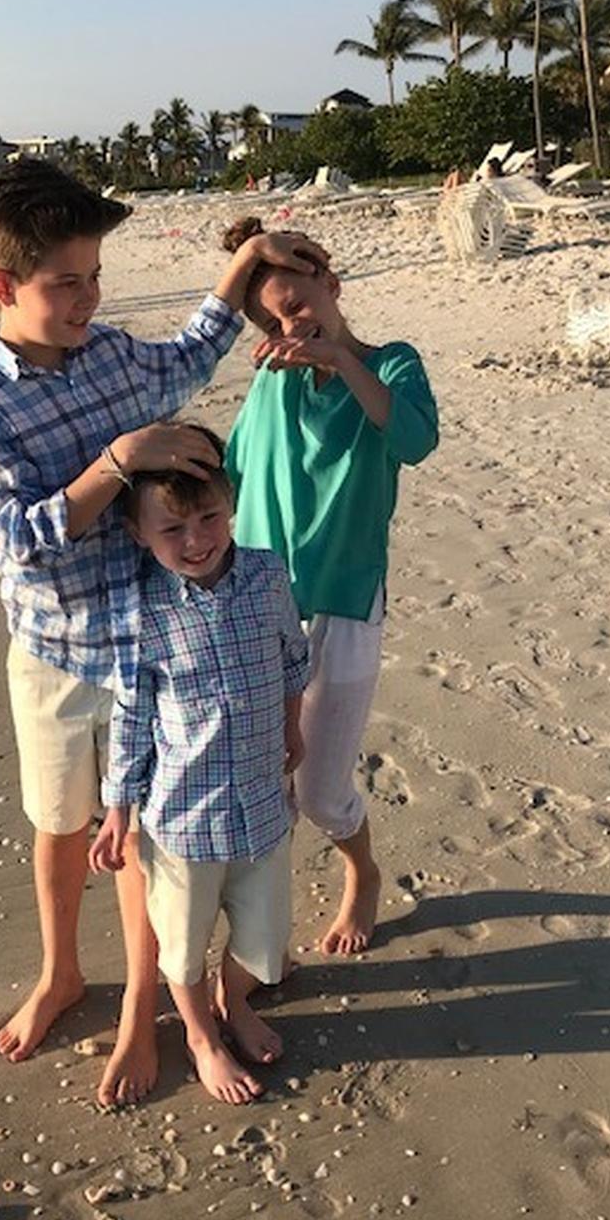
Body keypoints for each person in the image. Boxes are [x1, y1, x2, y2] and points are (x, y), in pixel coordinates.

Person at [0, 160, 323, 1107]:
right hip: (58, 651)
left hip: (161, 648)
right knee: (61, 825)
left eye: (95, 276)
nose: (89, 299)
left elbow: (188, 357)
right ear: (2, 284)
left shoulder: (110, 354)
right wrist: (117, 461)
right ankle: (62, 972)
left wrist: (244, 268)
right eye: (67, 283)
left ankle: (147, 1002)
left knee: (148, 836)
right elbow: (19, 541)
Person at [222, 216, 438, 957]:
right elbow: (232, 474)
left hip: (345, 600)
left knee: (320, 791)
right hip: (261, 603)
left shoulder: (392, 364)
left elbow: (413, 439)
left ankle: (362, 872)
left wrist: (341, 361)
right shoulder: (270, 382)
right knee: (267, 785)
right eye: (275, 322)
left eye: (299, 306)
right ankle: (259, 937)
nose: (292, 327)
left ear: (333, 285)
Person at [89, 429, 309, 1105]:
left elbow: (293, 657)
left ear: (230, 503)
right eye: (173, 529)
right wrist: (118, 809)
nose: (196, 540)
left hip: (262, 803)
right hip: (182, 818)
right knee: (179, 948)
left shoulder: (267, 575)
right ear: (138, 533)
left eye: (210, 516)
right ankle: (200, 1035)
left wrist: (293, 726)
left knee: (266, 945)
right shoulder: (143, 609)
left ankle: (232, 997)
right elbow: (131, 715)